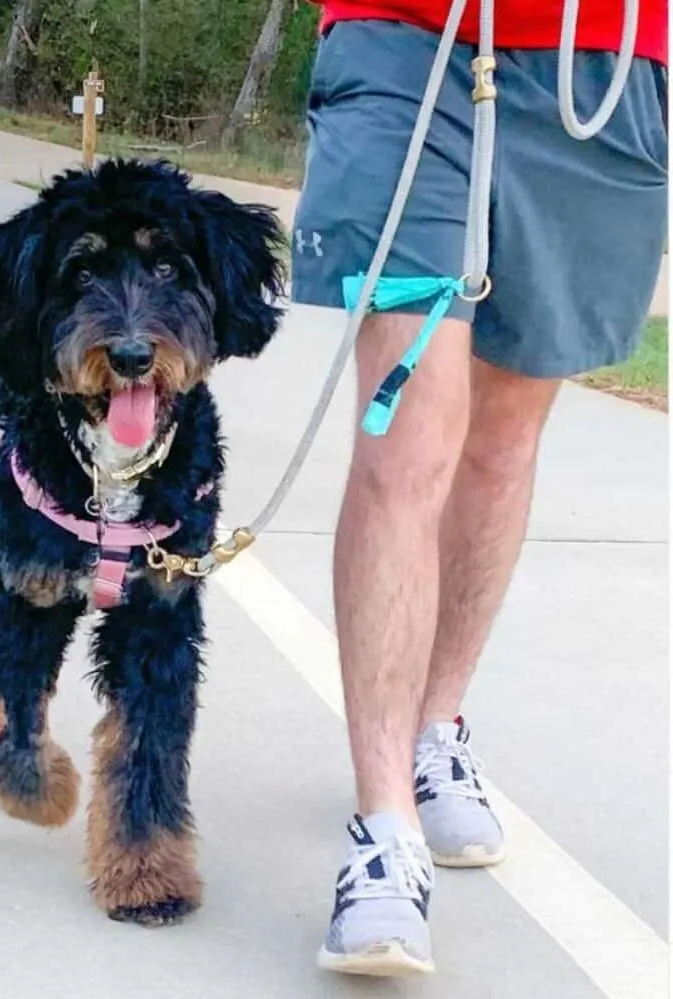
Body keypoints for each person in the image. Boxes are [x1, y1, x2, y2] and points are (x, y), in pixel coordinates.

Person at [292, 0, 667, 978]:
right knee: (406, 434)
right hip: (406, 44)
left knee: (502, 441)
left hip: (603, 63)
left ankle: (435, 725)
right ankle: (383, 824)